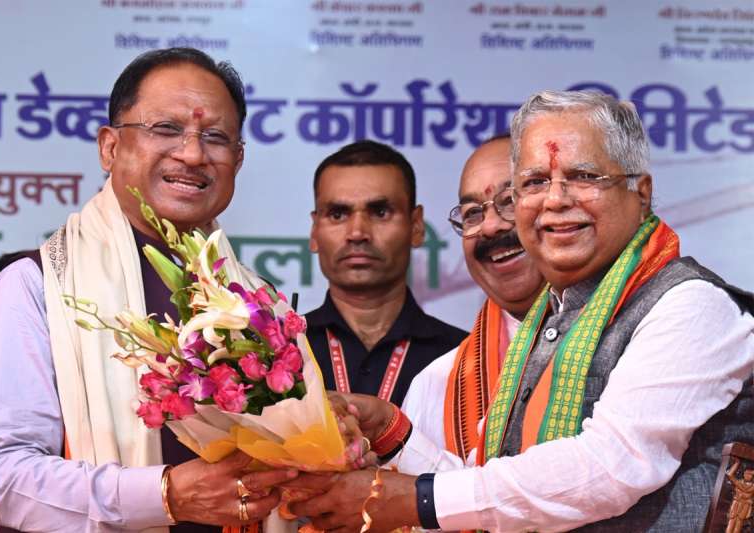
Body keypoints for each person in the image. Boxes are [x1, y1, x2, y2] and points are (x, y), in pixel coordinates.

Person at [285, 90, 754, 532]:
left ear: (641, 192)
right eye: (534, 183)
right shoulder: (550, 324)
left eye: (584, 177)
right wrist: (394, 432)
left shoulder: (691, 305)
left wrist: (415, 499)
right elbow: (499, 493)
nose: (556, 200)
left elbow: (611, 466)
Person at [0, 48, 298, 532]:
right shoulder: (37, 286)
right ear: (109, 147)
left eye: (215, 137)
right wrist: (165, 495)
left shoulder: (256, 302)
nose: (193, 154)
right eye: (165, 129)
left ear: (239, 159)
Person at [402, 134, 545, 458]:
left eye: (510, 200)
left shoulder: (634, 342)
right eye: (472, 214)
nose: (490, 226)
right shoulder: (435, 385)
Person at [305, 140, 467, 406]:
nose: (357, 233)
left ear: (416, 226)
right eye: (338, 214)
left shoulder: (464, 357)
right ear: (314, 232)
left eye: (380, 212)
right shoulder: (280, 354)